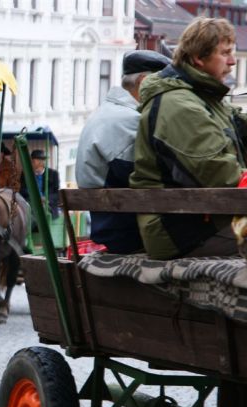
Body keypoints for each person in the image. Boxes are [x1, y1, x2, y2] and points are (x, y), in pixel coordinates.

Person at [130, 17, 247, 260]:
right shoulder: (180, 106)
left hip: (205, 218)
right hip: (183, 232)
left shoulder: (201, 97)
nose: (232, 62)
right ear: (198, 58)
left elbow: (240, 133)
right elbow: (222, 177)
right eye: (225, 53)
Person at [75, 50, 171, 254]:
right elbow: (147, 176)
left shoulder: (109, 113)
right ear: (145, 81)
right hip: (128, 231)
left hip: (113, 225)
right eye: (165, 85)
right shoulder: (127, 120)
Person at [20, 150, 60, 219]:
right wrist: (36, 197)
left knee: (42, 211)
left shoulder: (53, 174)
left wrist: (46, 199)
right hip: (31, 204)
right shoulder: (26, 174)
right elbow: (23, 190)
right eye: (32, 161)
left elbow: (57, 194)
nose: (31, 163)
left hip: (47, 206)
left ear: (40, 162)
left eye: (33, 161)